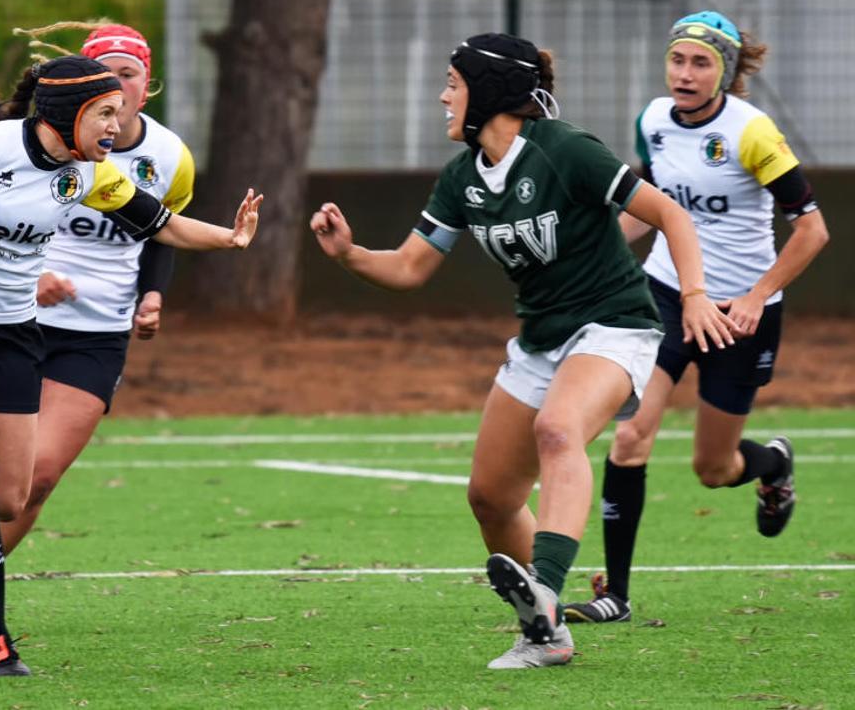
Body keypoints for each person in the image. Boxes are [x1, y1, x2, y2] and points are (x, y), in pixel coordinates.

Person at [309, 33, 738, 669]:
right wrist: (348, 254)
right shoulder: (462, 179)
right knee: (489, 496)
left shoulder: (567, 151)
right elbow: (407, 267)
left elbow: (671, 215)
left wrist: (696, 294)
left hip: (615, 325)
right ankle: (550, 629)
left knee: (559, 430)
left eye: (453, 84)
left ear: (489, 93)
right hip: (541, 340)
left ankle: (544, 588)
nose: (442, 96)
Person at [0, 54, 261, 675]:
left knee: (9, 498)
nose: (117, 123)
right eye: (104, 113)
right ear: (66, 111)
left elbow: (157, 224)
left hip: (12, 335)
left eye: (118, 112)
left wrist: (229, 238)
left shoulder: (87, 174)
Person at [0, 22, 196, 640]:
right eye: (105, 82)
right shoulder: (30, 149)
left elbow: (159, 228)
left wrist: (153, 293)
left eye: (130, 75)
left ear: (147, 83)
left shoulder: (167, 157)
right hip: (15, 314)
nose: (120, 91)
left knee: (31, 483)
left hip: (96, 332)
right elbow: (7, 223)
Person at [564, 11, 829, 624]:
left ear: (726, 72)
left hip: (738, 313)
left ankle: (773, 466)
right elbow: (651, 208)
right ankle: (616, 596)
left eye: (701, 63)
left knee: (714, 469)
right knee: (629, 438)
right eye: (678, 59)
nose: (685, 73)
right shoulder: (653, 121)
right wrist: (597, 256)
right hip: (662, 294)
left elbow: (813, 230)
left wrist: (758, 294)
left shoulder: (753, 133)